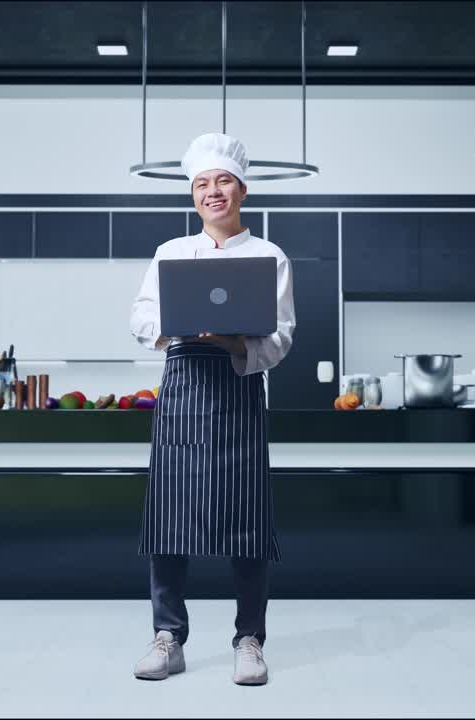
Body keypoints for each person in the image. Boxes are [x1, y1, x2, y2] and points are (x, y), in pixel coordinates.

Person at [127, 133, 296, 686]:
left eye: (223, 181)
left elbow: (282, 339)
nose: (212, 192)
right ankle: (168, 637)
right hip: (181, 393)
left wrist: (230, 341)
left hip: (238, 391)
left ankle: (250, 640)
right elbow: (142, 319)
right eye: (202, 184)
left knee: (247, 522)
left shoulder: (270, 256)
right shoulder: (170, 254)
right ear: (192, 196)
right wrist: (179, 326)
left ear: (242, 189)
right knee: (170, 522)